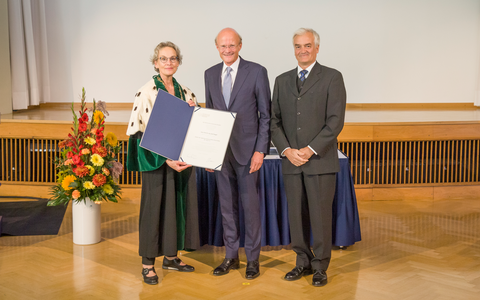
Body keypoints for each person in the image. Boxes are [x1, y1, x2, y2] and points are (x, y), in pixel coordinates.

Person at [270, 28, 346, 287]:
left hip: (319, 161)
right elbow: (274, 120)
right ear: (293, 49)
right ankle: (302, 261)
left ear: (316, 48)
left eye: (307, 45)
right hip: (291, 161)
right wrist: (287, 150)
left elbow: (335, 121)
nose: (302, 50)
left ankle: (320, 267)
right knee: (296, 215)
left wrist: (310, 149)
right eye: (298, 46)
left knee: (320, 216)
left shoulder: (332, 78)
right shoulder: (281, 80)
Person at [126, 41, 200, 285]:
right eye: (163, 59)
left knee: (177, 209)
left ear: (178, 62)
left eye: (173, 58)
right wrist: (164, 159)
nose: (169, 62)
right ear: (155, 63)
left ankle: (171, 257)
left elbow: (195, 129)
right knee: (154, 211)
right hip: (157, 164)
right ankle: (148, 264)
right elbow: (138, 137)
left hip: (181, 162)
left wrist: (195, 112)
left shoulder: (187, 93)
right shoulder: (146, 92)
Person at [204, 28, 271, 279]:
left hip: (247, 152)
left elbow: (265, 116)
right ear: (217, 47)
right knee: (227, 208)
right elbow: (210, 116)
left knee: (250, 208)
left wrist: (260, 151)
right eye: (223, 46)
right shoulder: (210, 74)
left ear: (240, 46)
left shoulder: (256, 72)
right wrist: (209, 154)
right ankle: (231, 256)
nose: (227, 50)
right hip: (221, 154)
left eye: (232, 45)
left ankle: (253, 259)